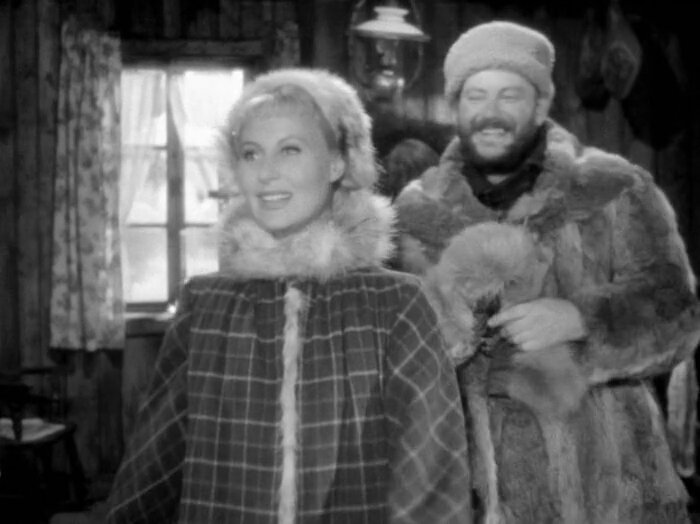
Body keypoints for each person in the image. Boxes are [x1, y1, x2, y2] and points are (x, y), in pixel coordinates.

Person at [105, 68, 471, 523]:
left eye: (290, 150)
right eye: (250, 153)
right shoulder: (205, 304)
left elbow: (432, 474)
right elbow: (153, 468)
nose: (266, 173)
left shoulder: (395, 303)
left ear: (337, 163)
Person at [394, 20, 700, 523]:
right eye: (475, 95)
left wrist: (581, 318)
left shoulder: (613, 188)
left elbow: (679, 314)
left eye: (510, 94)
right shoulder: (415, 212)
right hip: (462, 485)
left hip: (604, 489)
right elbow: (397, 348)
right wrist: (450, 324)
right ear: (456, 107)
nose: (490, 112)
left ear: (539, 104)